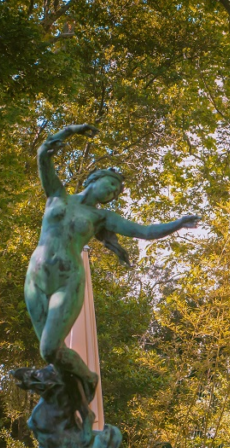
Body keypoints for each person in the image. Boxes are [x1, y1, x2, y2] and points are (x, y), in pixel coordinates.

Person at [28, 124, 198, 397]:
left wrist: (177, 223)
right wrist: (70, 131)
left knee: (49, 348)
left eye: (116, 193)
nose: (112, 193)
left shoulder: (102, 218)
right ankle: (69, 398)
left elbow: (144, 231)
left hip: (67, 280)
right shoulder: (57, 195)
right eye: (111, 185)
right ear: (95, 179)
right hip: (35, 277)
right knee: (51, 354)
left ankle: (88, 377)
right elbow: (43, 156)